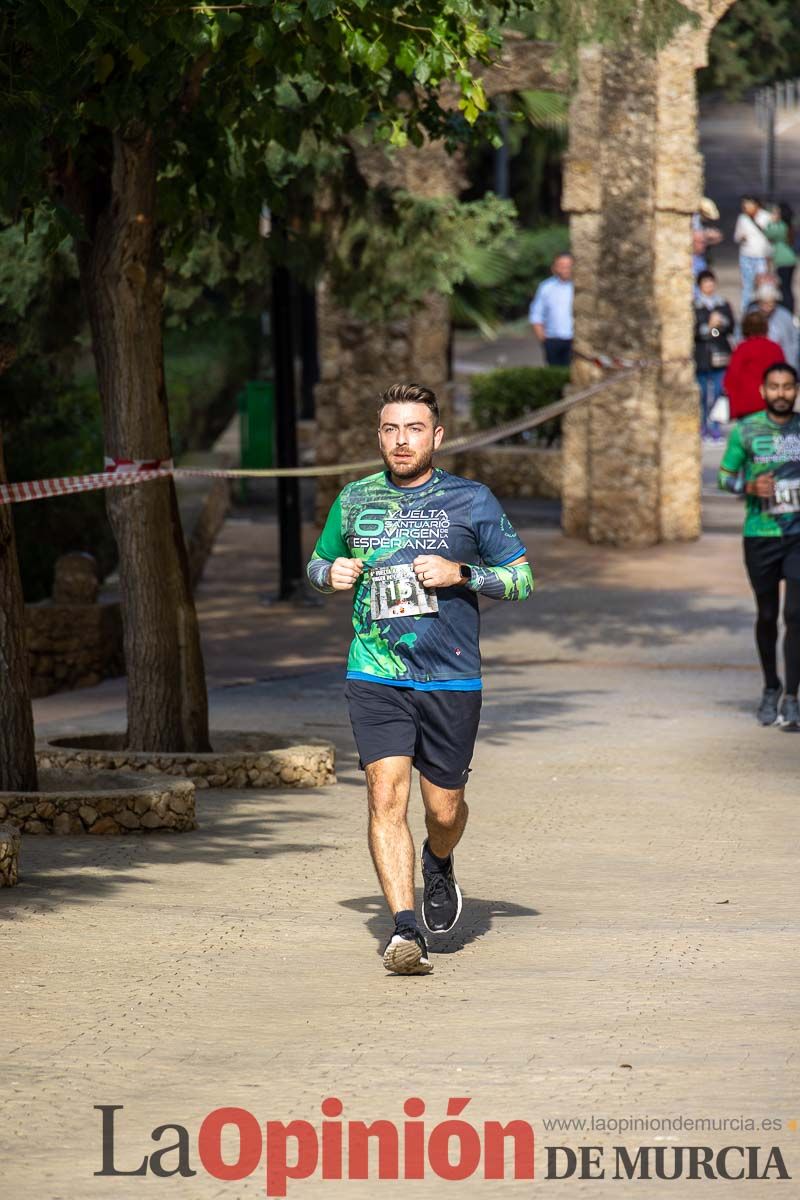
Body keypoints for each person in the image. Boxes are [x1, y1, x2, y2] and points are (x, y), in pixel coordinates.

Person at [306, 382, 534, 976]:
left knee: (444, 808)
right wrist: (331, 574)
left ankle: (439, 859)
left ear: (435, 436)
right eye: (390, 429)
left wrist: (462, 573)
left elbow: (521, 579)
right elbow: (316, 563)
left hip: (451, 677)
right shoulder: (354, 499)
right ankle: (405, 929)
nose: (401, 440)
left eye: (413, 429)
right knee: (385, 796)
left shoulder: (472, 500)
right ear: (378, 436)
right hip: (375, 673)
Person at [718, 363, 800, 730]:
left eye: (788, 387)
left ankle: (793, 697)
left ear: (796, 390)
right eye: (775, 387)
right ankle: (771, 686)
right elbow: (724, 478)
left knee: (796, 617)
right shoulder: (747, 430)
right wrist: (748, 488)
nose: (782, 393)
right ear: (763, 392)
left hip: (798, 536)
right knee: (767, 616)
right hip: (760, 534)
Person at [694, 269, 734, 439]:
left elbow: (730, 328)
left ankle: (715, 424)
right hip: (702, 356)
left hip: (720, 355)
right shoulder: (695, 306)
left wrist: (718, 327)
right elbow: (694, 332)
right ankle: (703, 424)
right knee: (702, 394)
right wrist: (710, 328)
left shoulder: (722, 304)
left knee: (718, 393)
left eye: (711, 282)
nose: (709, 285)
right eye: (705, 282)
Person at [723, 311, 784, 420]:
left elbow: (732, 377)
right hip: (771, 401)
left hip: (746, 403)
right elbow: (783, 373)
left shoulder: (743, 348)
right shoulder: (775, 348)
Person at [529, 252, 573, 365]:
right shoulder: (546, 287)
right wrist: (543, 339)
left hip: (574, 340)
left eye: (568, 266)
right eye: (562, 266)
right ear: (555, 267)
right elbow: (536, 314)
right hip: (553, 339)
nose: (565, 269)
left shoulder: (579, 286)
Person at [734, 195, 772, 314]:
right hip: (746, 256)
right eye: (745, 205)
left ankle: (763, 311)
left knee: (763, 286)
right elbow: (736, 237)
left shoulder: (766, 217)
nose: (747, 207)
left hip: (761, 256)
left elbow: (772, 236)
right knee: (747, 285)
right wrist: (741, 237)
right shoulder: (742, 218)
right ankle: (746, 312)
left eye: (749, 204)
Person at [748, 282, 798, 369]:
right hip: (756, 363)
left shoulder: (785, 316)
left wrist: (790, 367)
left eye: (771, 303)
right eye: (763, 303)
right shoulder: (751, 315)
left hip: (781, 362)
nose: (767, 307)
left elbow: (792, 343)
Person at [765, 203, 797, 314]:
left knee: (784, 289)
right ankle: (790, 309)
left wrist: (771, 222)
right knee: (787, 287)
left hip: (783, 261)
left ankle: (788, 310)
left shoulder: (780, 226)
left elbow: (768, 234)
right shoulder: (789, 226)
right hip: (791, 260)